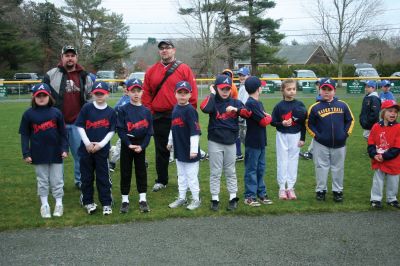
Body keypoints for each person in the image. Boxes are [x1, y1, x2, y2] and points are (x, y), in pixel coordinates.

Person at [142, 40, 198, 192]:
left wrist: (190, 113)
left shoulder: (184, 68)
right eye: (161, 48)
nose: (164, 51)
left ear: (174, 50)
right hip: (159, 116)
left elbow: (192, 92)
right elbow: (146, 94)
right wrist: (148, 114)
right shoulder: (152, 71)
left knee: (182, 148)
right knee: (161, 150)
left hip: (180, 114)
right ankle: (162, 180)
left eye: (167, 48)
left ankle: (184, 180)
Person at [43, 45, 93, 189]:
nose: (70, 58)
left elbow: (90, 98)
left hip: (78, 124)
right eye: (67, 55)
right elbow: (42, 97)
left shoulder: (84, 75)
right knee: (58, 156)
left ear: (76, 57)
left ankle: (80, 181)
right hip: (57, 125)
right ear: (62, 57)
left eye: (72, 55)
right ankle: (58, 183)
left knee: (80, 155)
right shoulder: (51, 74)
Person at [200, 74, 251, 211]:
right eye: (222, 88)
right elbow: (204, 108)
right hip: (215, 142)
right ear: (216, 88)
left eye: (227, 88)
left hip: (231, 142)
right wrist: (212, 94)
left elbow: (248, 113)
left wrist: (236, 110)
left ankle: (232, 197)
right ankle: (215, 198)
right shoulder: (213, 102)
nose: (225, 91)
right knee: (215, 171)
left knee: (230, 171)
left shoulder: (235, 102)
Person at [19, 83, 68, 218]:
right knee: (42, 180)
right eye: (38, 96)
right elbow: (24, 135)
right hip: (38, 152)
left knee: (57, 180)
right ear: (33, 97)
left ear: (49, 96)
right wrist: (26, 153)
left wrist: (64, 148)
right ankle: (44, 204)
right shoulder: (28, 114)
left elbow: (63, 133)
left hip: (56, 151)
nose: (41, 98)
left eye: (44, 95)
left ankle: (59, 203)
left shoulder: (56, 112)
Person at [306, 78, 354, 202]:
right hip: (321, 143)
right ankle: (320, 190)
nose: (326, 92)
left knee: (338, 167)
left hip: (340, 143)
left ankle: (337, 191)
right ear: (319, 89)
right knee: (321, 167)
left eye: (329, 89)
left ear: (334, 90)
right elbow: (309, 124)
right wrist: (317, 136)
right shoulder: (315, 107)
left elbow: (350, 120)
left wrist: (345, 134)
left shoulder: (342, 105)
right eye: (324, 89)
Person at [75, 81, 116, 215]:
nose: (99, 96)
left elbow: (111, 131)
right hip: (86, 150)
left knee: (103, 177)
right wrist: (87, 143)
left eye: (102, 94)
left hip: (102, 150)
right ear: (92, 94)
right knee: (86, 178)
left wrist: (100, 145)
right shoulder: (87, 108)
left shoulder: (110, 112)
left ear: (107, 94)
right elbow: (80, 126)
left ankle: (106, 203)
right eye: (97, 93)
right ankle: (88, 202)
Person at [116, 78, 153, 213]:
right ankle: (125, 199)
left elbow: (149, 132)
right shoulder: (123, 109)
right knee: (125, 171)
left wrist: (142, 146)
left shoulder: (146, 111)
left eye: (138, 91)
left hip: (140, 145)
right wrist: (128, 144)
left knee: (141, 171)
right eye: (133, 91)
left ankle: (142, 198)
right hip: (127, 144)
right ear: (127, 92)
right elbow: (120, 129)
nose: (136, 94)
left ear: (142, 92)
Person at [167, 81, 201, 210]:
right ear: (175, 94)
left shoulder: (190, 111)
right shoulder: (175, 108)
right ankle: (182, 197)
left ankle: (196, 199)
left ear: (190, 94)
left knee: (191, 177)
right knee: (181, 175)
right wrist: (170, 142)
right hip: (179, 148)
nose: (182, 96)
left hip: (189, 150)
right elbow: (173, 128)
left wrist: (194, 150)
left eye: (185, 93)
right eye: (179, 93)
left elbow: (195, 132)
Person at [271, 79, 307, 200]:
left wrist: (302, 138)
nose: (292, 91)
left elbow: (303, 123)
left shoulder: (300, 105)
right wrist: (282, 123)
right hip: (282, 136)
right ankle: (282, 188)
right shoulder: (279, 106)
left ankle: (290, 187)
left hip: (295, 135)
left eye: (294, 89)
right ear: (283, 90)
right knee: (282, 161)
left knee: (293, 161)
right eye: (289, 89)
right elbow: (273, 122)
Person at [243, 76, 273, 206]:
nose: (262, 87)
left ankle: (261, 193)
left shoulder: (258, 103)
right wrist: (269, 117)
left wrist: (268, 117)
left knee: (261, 168)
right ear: (257, 88)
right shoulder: (251, 103)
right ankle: (249, 196)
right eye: (261, 86)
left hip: (261, 141)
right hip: (253, 141)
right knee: (251, 169)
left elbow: (265, 117)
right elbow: (264, 121)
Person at [368, 100, 400, 209]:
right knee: (378, 180)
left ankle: (391, 198)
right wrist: (374, 154)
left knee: (393, 181)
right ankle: (375, 199)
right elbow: (371, 143)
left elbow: (397, 147)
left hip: (393, 160)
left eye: (395, 112)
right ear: (383, 112)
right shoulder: (376, 126)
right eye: (390, 111)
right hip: (379, 159)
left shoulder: (398, 128)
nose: (393, 114)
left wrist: (384, 156)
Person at [109, 79, 130, 172]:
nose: (125, 89)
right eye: (124, 87)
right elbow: (115, 109)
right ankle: (112, 163)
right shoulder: (123, 98)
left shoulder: (132, 99)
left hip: (132, 127)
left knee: (135, 143)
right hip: (123, 127)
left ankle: (112, 163)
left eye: (127, 87)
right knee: (120, 144)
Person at [299, 79, 321, 160]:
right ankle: (312, 152)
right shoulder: (319, 94)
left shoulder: (322, 95)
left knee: (317, 135)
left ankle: (311, 153)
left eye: (319, 84)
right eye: (317, 84)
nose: (317, 86)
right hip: (319, 118)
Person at [236, 67, 250, 162]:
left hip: (243, 116)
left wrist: (241, 115)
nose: (241, 77)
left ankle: (251, 154)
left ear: (248, 75)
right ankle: (240, 154)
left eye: (243, 75)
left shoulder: (246, 87)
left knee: (244, 137)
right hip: (241, 114)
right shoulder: (242, 85)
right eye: (240, 75)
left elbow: (244, 103)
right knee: (240, 136)